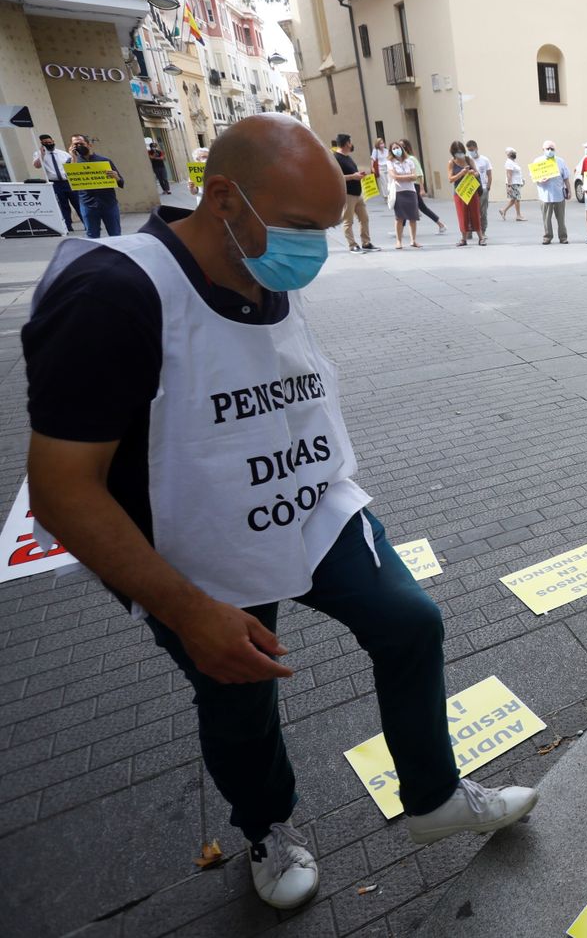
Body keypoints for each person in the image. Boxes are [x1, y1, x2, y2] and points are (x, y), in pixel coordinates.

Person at [20, 112, 539, 914]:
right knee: (238, 696)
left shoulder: (262, 263)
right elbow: (61, 487)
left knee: (409, 621)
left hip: (311, 508)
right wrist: (190, 611)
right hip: (197, 548)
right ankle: (265, 827)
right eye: (301, 227)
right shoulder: (114, 292)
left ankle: (433, 795)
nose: (316, 250)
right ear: (223, 197)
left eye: (328, 228)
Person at [68, 134, 124, 239]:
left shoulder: (104, 161)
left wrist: (116, 177)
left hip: (108, 203)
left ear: (89, 145)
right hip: (87, 204)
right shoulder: (72, 162)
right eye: (76, 144)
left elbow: (121, 183)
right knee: (92, 235)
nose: (79, 146)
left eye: (81, 143)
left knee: (115, 234)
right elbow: (71, 180)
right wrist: (73, 157)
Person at [333, 133, 378, 253]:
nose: (351, 144)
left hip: (358, 194)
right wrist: (353, 177)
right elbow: (335, 177)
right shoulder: (336, 158)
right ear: (347, 143)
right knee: (348, 221)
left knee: (364, 218)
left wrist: (359, 175)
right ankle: (352, 245)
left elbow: (353, 173)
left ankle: (366, 243)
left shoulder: (347, 156)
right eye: (350, 142)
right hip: (347, 194)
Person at [31, 133, 81, 233]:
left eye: (50, 142)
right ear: (41, 144)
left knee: (78, 203)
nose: (48, 144)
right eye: (45, 143)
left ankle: (88, 223)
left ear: (53, 141)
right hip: (55, 184)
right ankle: (68, 226)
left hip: (68, 182)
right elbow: (37, 165)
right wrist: (42, 153)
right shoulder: (39, 154)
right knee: (63, 206)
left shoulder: (63, 153)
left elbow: (72, 166)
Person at [400, 140, 448, 235]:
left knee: (420, 207)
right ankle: (441, 225)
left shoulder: (411, 159)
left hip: (414, 185)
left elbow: (419, 173)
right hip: (408, 186)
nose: (399, 148)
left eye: (401, 146)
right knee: (407, 207)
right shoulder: (402, 160)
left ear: (406, 147)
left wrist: (422, 188)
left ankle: (441, 225)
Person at [446, 140, 484, 247]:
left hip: (471, 190)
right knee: (462, 214)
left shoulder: (468, 160)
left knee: (475, 213)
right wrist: (461, 173)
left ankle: (481, 237)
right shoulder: (451, 163)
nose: (460, 154)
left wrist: (473, 172)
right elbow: (450, 179)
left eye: (462, 151)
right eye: (458, 152)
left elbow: (477, 173)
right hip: (459, 192)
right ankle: (464, 238)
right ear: (453, 153)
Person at [533, 140, 571, 244]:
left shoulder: (560, 161)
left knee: (561, 218)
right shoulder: (537, 161)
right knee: (546, 218)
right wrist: (540, 180)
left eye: (552, 149)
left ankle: (563, 237)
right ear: (543, 150)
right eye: (547, 149)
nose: (550, 151)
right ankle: (547, 237)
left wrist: (569, 190)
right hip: (545, 195)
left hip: (559, 194)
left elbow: (566, 177)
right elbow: (534, 177)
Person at [388, 140, 422, 249]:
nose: (396, 150)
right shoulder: (390, 162)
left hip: (410, 191)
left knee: (413, 217)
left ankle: (413, 240)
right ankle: (399, 241)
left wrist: (403, 177)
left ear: (401, 149)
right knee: (399, 217)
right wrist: (408, 177)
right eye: (393, 149)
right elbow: (394, 176)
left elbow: (415, 176)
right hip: (398, 192)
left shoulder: (409, 161)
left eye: (397, 148)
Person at [467, 140, 493, 238]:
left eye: (472, 150)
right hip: (471, 189)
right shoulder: (468, 160)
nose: (471, 152)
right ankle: (469, 231)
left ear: (476, 148)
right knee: (470, 211)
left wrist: (488, 187)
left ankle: (483, 231)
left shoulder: (485, 160)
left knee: (483, 212)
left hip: (483, 188)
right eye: (469, 150)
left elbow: (489, 174)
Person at [500, 147, 526, 221]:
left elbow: (517, 173)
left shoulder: (514, 162)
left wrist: (521, 180)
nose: (514, 154)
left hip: (516, 183)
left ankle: (503, 210)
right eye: (512, 153)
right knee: (517, 199)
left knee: (514, 199)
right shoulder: (509, 162)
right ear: (508, 154)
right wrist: (509, 186)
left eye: (514, 153)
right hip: (513, 183)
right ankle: (518, 215)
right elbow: (509, 174)